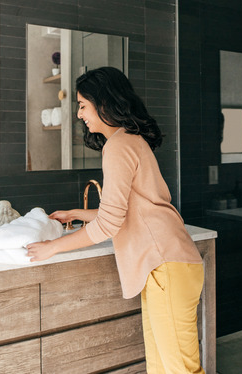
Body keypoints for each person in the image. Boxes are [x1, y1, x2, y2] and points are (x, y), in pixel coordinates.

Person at [26, 67, 205, 374]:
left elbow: (110, 224)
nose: (80, 114)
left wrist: (53, 247)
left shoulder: (119, 146)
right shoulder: (129, 141)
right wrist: (77, 214)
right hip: (164, 266)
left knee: (180, 370)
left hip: (166, 265)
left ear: (104, 103)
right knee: (162, 368)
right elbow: (127, 212)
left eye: (83, 105)